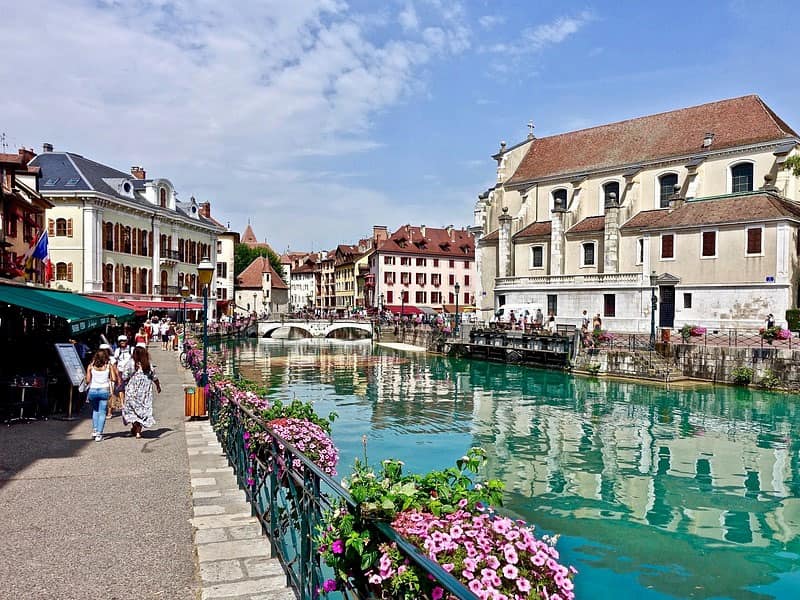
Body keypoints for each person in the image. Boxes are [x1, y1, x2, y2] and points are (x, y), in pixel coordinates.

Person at [122, 346, 160, 439]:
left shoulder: (130, 363)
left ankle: (135, 429)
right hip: (144, 392)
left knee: (132, 410)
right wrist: (158, 386)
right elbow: (154, 377)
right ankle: (137, 431)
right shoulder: (148, 364)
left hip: (132, 391)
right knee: (142, 411)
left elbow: (124, 376)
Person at [85, 349, 117, 441]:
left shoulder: (91, 366)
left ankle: (95, 430)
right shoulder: (108, 366)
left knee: (95, 410)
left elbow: (87, 380)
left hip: (93, 390)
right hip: (104, 390)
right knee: (102, 412)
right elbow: (113, 379)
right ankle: (99, 433)